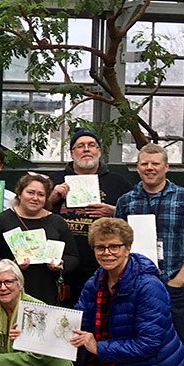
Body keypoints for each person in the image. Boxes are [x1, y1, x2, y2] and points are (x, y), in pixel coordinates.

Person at [63, 218, 184, 366]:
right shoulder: (96, 281)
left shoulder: (148, 286)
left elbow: (148, 344)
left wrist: (99, 348)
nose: (107, 253)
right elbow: (78, 321)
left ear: (127, 248)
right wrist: (30, 333)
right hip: (120, 363)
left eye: (114, 247)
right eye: (100, 247)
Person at [116, 143, 184, 354]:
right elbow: (116, 244)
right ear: (137, 168)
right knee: (135, 340)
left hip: (171, 283)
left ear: (166, 167)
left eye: (155, 163)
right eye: (144, 163)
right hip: (134, 284)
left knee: (181, 343)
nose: (150, 168)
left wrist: (180, 279)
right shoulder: (126, 201)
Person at [47, 128, 132, 305]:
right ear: (72, 153)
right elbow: (32, 212)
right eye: (80, 146)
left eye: (91, 145)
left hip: (104, 263)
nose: (86, 149)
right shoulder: (53, 180)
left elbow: (135, 221)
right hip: (61, 264)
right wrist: (52, 197)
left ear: (99, 151)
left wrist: (115, 212)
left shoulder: (118, 182)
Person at [0, 173, 77, 306]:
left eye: (41, 194)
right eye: (30, 192)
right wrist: (10, 265)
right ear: (19, 194)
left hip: (46, 289)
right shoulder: (2, 221)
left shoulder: (57, 222)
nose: (35, 198)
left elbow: (72, 256)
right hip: (9, 291)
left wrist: (60, 264)